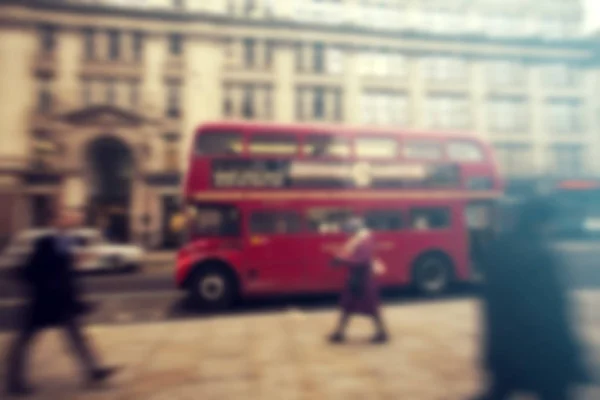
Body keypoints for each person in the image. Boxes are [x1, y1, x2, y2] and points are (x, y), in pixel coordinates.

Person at [474, 197, 591, 400]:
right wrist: (571, 355)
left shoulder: (497, 249)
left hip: (504, 351)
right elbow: (553, 313)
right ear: (542, 223)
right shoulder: (540, 257)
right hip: (542, 356)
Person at [5, 207, 118, 396]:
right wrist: (47, 284)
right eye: (68, 219)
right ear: (55, 221)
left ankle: (95, 371)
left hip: (61, 302)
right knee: (23, 343)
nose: (73, 222)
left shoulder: (67, 241)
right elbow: (32, 270)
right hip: (41, 302)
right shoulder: (44, 241)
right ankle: (14, 383)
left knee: (78, 338)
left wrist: (77, 298)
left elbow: (66, 275)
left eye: (74, 220)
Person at [328, 217, 389, 343]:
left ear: (355, 230)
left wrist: (342, 261)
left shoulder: (364, 241)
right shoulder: (359, 239)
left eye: (349, 231)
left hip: (363, 279)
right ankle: (339, 333)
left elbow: (362, 261)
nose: (347, 234)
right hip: (357, 278)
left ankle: (381, 333)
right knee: (348, 306)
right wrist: (340, 259)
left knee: (370, 307)